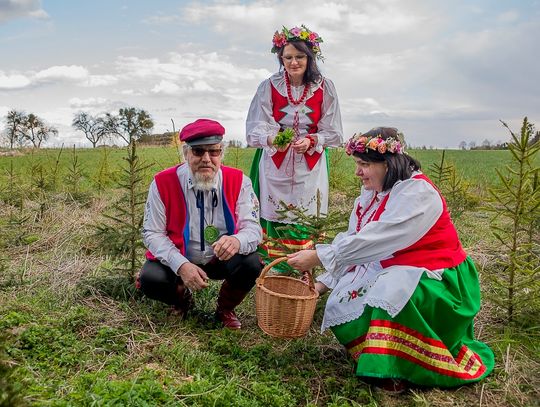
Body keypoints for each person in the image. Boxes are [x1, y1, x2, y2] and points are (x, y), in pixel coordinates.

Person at [288, 127, 494, 390]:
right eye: (357, 164)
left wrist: (318, 256)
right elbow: (354, 241)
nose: (357, 172)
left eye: (364, 164)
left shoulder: (418, 194)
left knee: (390, 286)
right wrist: (322, 285)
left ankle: (403, 367)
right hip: (400, 267)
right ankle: (376, 355)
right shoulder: (374, 193)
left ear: (388, 163)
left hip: (442, 280)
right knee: (350, 287)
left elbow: (376, 240)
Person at [139, 118, 263, 329]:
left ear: (221, 153)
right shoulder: (162, 183)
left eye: (213, 152)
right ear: (186, 153)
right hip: (182, 255)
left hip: (221, 259)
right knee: (150, 278)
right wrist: (181, 265)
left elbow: (253, 228)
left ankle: (225, 308)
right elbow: (152, 233)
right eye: (198, 152)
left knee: (250, 263)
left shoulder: (240, 181)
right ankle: (182, 300)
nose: (207, 159)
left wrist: (236, 240)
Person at [246, 25, 343, 270]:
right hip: (275, 163)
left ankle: (302, 265)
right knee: (274, 208)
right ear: (281, 58)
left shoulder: (325, 87)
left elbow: (333, 131)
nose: (293, 62)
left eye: (299, 57)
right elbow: (257, 126)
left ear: (310, 58)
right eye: (287, 57)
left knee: (305, 209)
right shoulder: (269, 86)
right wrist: (273, 139)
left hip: (309, 163)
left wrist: (312, 140)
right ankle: (274, 265)